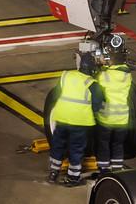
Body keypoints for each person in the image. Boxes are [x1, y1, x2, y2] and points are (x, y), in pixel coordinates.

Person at [47, 49, 100, 187]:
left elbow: (57, 92)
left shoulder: (67, 75)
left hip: (62, 117)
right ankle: (73, 178)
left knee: (58, 145)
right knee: (76, 149)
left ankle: (53, 172)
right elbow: (98, 102)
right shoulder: (91, 83)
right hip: (79, 121)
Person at [95, 52, 136, 175]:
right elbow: (125, 70)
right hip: (122, 118)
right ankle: (117, 168)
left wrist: (101, 66)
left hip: (107, 118)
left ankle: (104, 169)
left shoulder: (105, 76)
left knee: (104, 143)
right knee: (118, 144)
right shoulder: (127, 77)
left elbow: (97, 80)